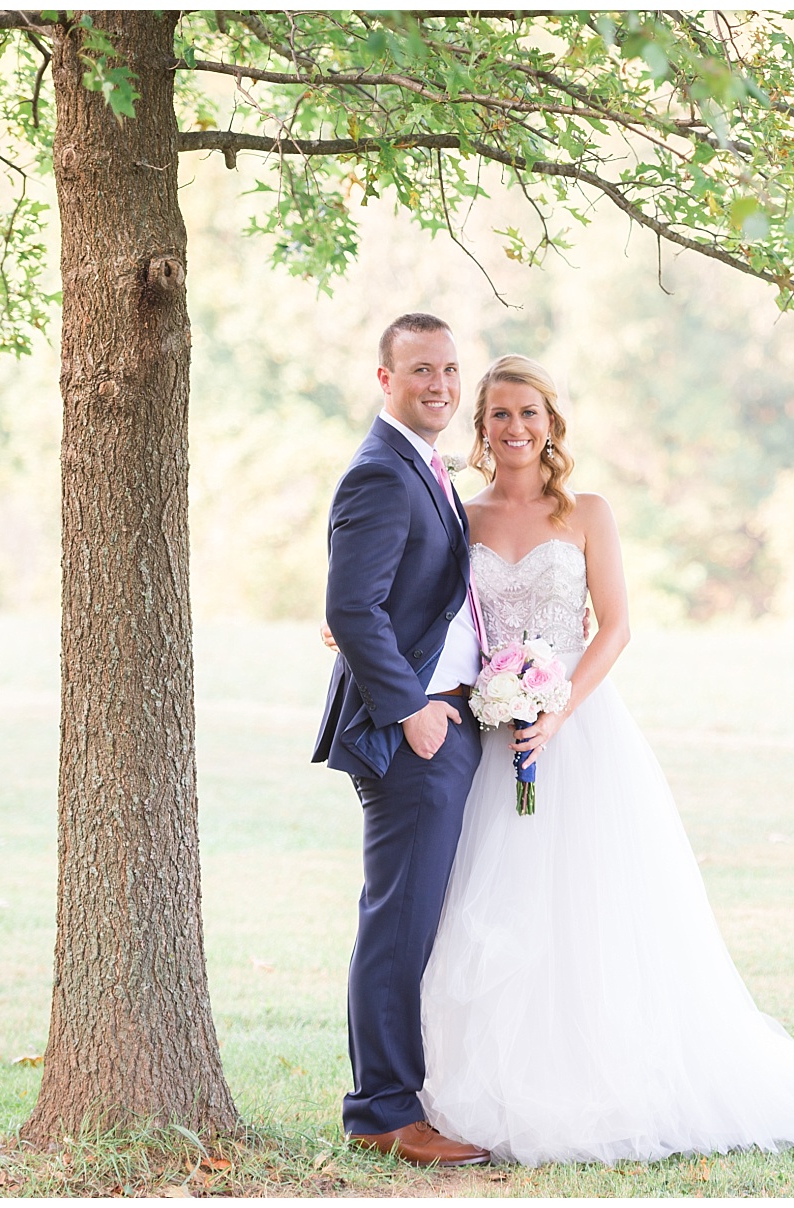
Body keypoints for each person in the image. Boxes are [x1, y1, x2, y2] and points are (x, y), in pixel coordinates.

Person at [414, 354, 794, 1165]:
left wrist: (557, 710)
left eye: (529, 413)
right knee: (496, 905)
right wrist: (354, 630)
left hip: (577, 730)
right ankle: (497, 1080)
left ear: (551, 424)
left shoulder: (587, 512)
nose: (515, 427)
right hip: (493, 735)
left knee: (590, 903)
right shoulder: (464, 515)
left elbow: (617, 626)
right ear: (481, 428)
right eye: (499, 415)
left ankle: (602, 1077)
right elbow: (431, 606)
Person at [311, 313, 491, 1167]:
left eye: (450, 369)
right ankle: (382, 1112)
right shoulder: (381, 471)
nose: (441, 385)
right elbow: (350, 608)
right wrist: (411, 710)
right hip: (413, 734)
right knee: (398, 922)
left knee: (416, 918)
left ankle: (405, 1096)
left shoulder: (423, 466)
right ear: (385, 379)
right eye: (421, 369)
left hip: (453, 721)